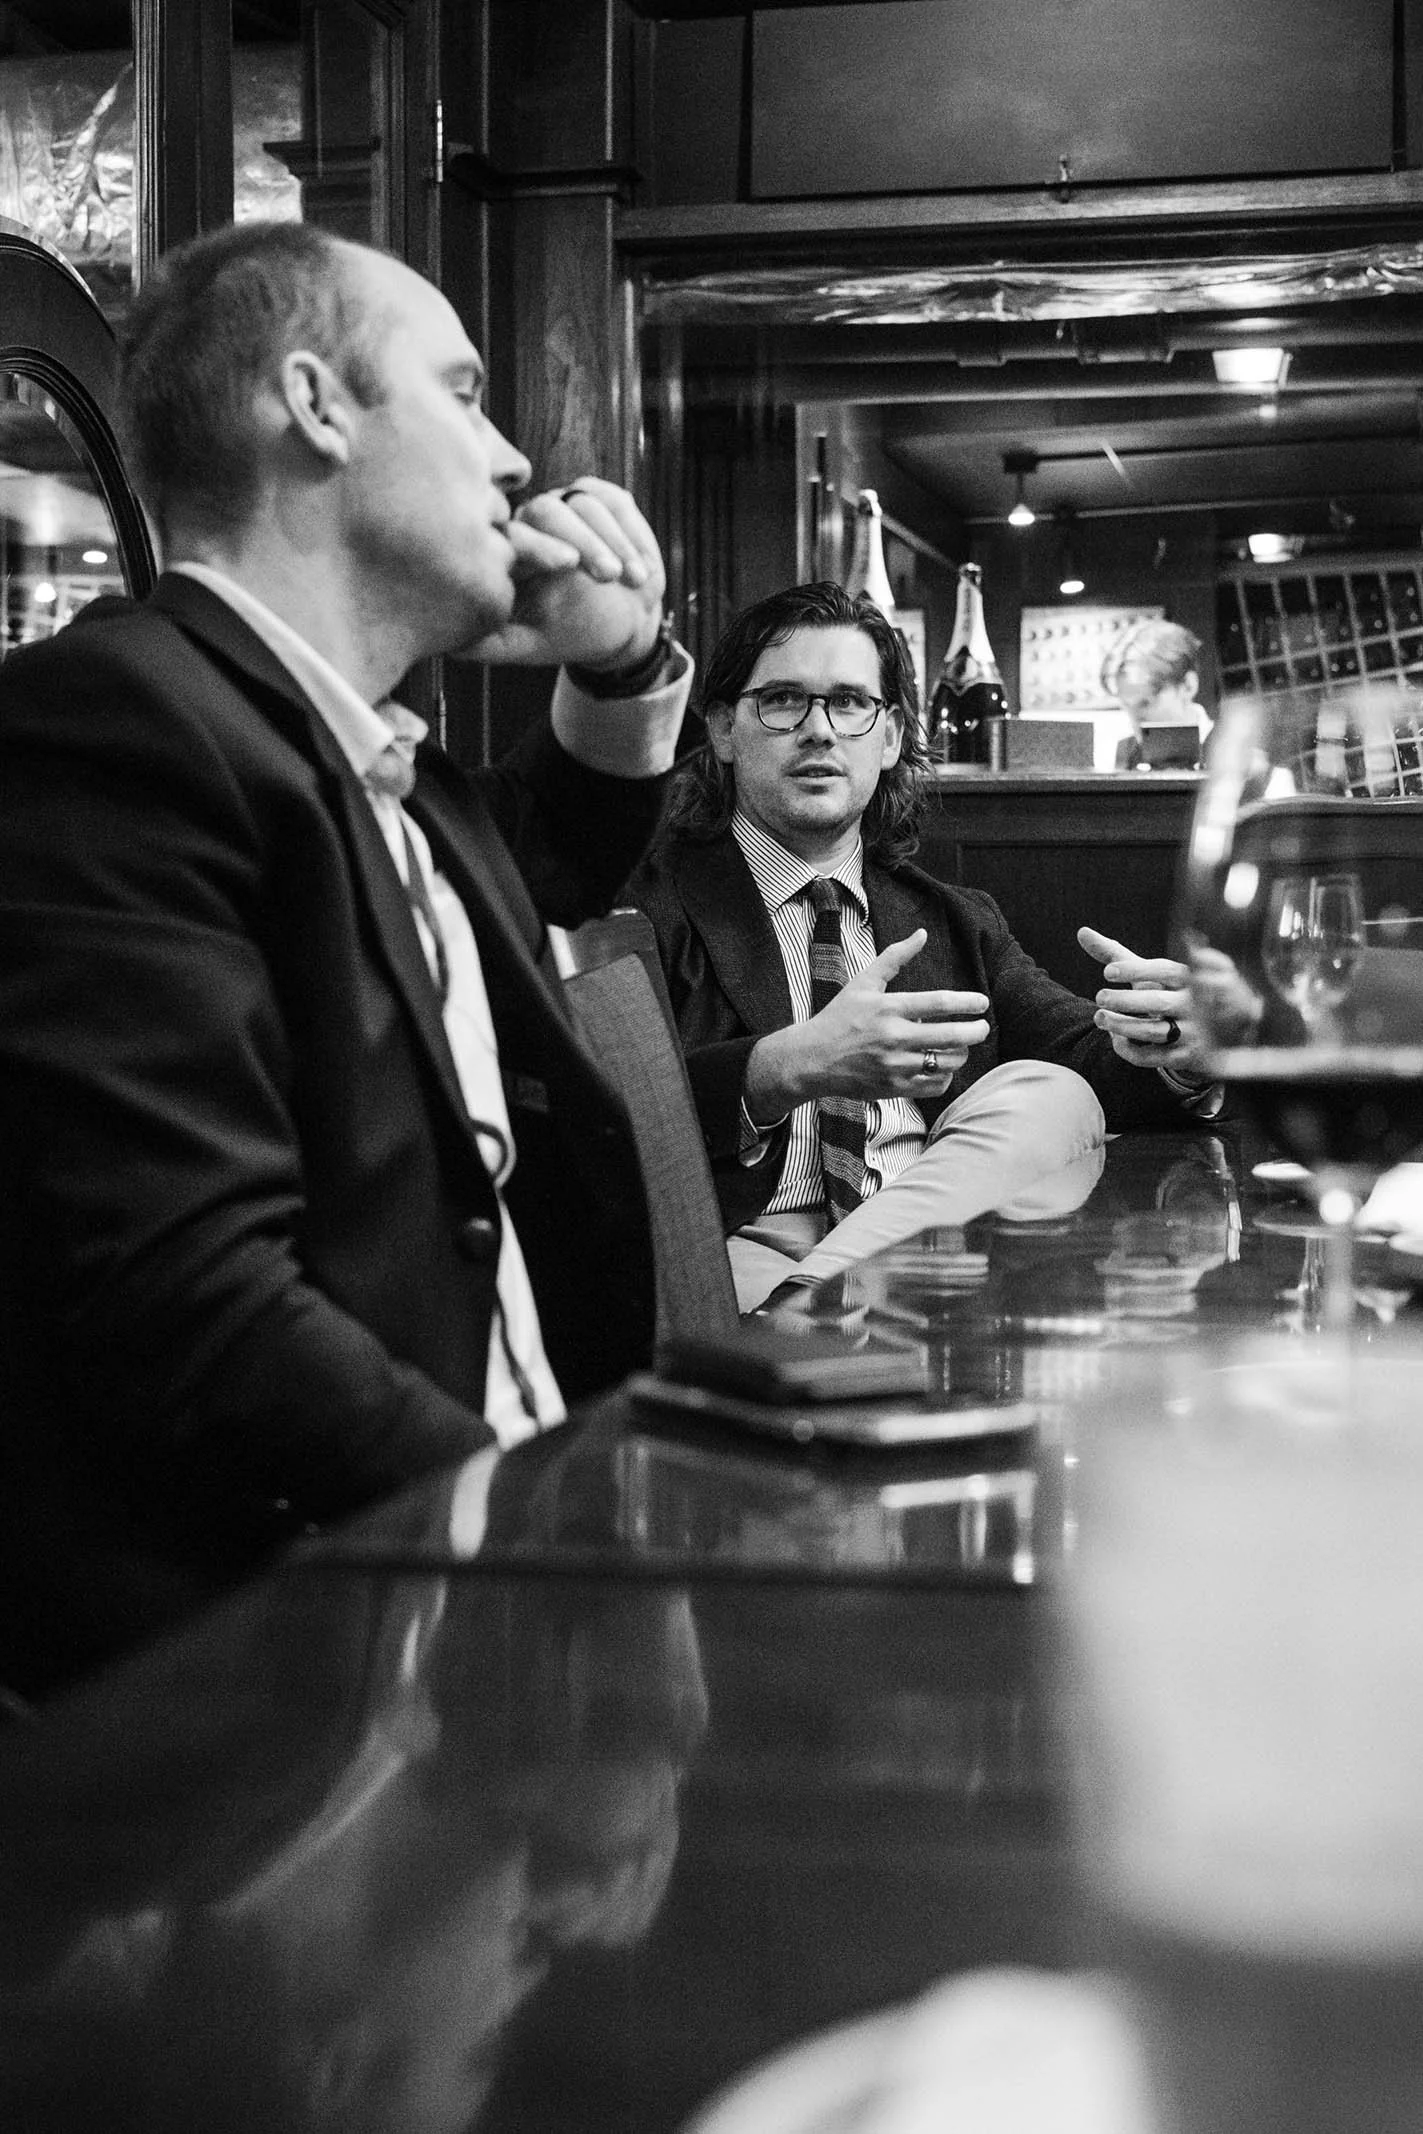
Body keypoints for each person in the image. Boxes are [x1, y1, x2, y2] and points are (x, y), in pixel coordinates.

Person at [0, 219, 692, 1697]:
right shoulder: (110, 725)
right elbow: (193, 1302)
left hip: (472, 1584)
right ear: (314, 407)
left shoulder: (379, 761)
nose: (515, 462)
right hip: (288, 1663)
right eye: (461, 392)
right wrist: (543, 1529)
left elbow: (527, 883)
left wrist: (618, 660)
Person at [625, 582, 1219, 1313]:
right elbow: (609, 1119)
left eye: (849, 703)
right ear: (721, 729)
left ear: (889, 735)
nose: (819, 730)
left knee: (1049, 1095)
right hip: (735, 1253)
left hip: (932, 1251)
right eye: (782, 700)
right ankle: (821, 1305)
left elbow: (1085, 1060)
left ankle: (818, 1298)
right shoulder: (648, 905)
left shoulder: (952, 916)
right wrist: (782, 1067)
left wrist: (1171, 1044)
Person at [1101, 617, 1210, 771]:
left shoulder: (1231, 753)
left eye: (1146, 703)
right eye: (1126, 706)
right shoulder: (1127, 754)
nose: (1135, 720)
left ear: (1188, 686)